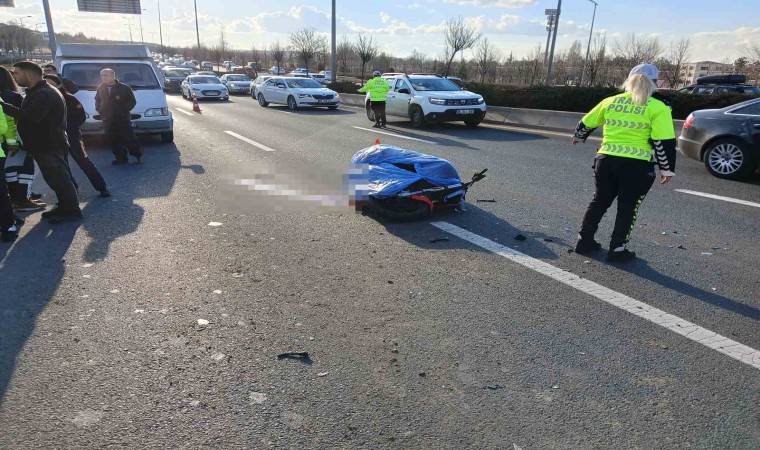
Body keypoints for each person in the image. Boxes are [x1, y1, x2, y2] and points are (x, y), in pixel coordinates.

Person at [571, 63, 676, 262]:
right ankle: (617, 249)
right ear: (654, 84)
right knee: (628, 207)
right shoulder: (658, 107)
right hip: (637, 165)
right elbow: (663, 141)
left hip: (606, 160)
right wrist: (667, 169)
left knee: (600, 200)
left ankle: (584, 241)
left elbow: (587, 122)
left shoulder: (611, 101)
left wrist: (579, 136)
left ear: (628, 81)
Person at [1, 61, 82, 224]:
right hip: (44, 144)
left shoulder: (43, 93)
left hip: (49, 144)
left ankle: (71, 210)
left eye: (17, 73)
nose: (14, 77)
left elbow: (31, 117)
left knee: (59, 179)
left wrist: (3, 106)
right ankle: (64, 206)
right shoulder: (36, 91)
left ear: (30, 75)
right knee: (54, 178)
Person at [44, 74, 110, 198]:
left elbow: (81, 116)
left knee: (84, 162)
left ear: (59, 85)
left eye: (50, 84)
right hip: (54, 139)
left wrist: (71, 128)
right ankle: (72, 189)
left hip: (73, 136)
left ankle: (102, 188)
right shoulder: (43, 100)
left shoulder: (70, 99)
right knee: (62, 166)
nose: (48, 87)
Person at [0, 66, 43, 212]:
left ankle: (13, 199)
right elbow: (20, 120)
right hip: (15, 140)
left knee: (8, 171)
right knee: (25, 169)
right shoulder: (13, 96)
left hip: (3, 142)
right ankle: (23, 199)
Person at [95, 68, 142, 165]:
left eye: (105, 75)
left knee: (128, 137)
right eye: (101, 75)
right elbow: (97, 100)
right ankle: (120, 157)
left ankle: (136, 153)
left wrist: (123, 110)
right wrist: (100, 110)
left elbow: (132, 101)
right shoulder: (100, 87)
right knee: (112, 139)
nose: (103, 77)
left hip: (122, 118)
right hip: (107, 119)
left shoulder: (124, 88)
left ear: (113, 76)